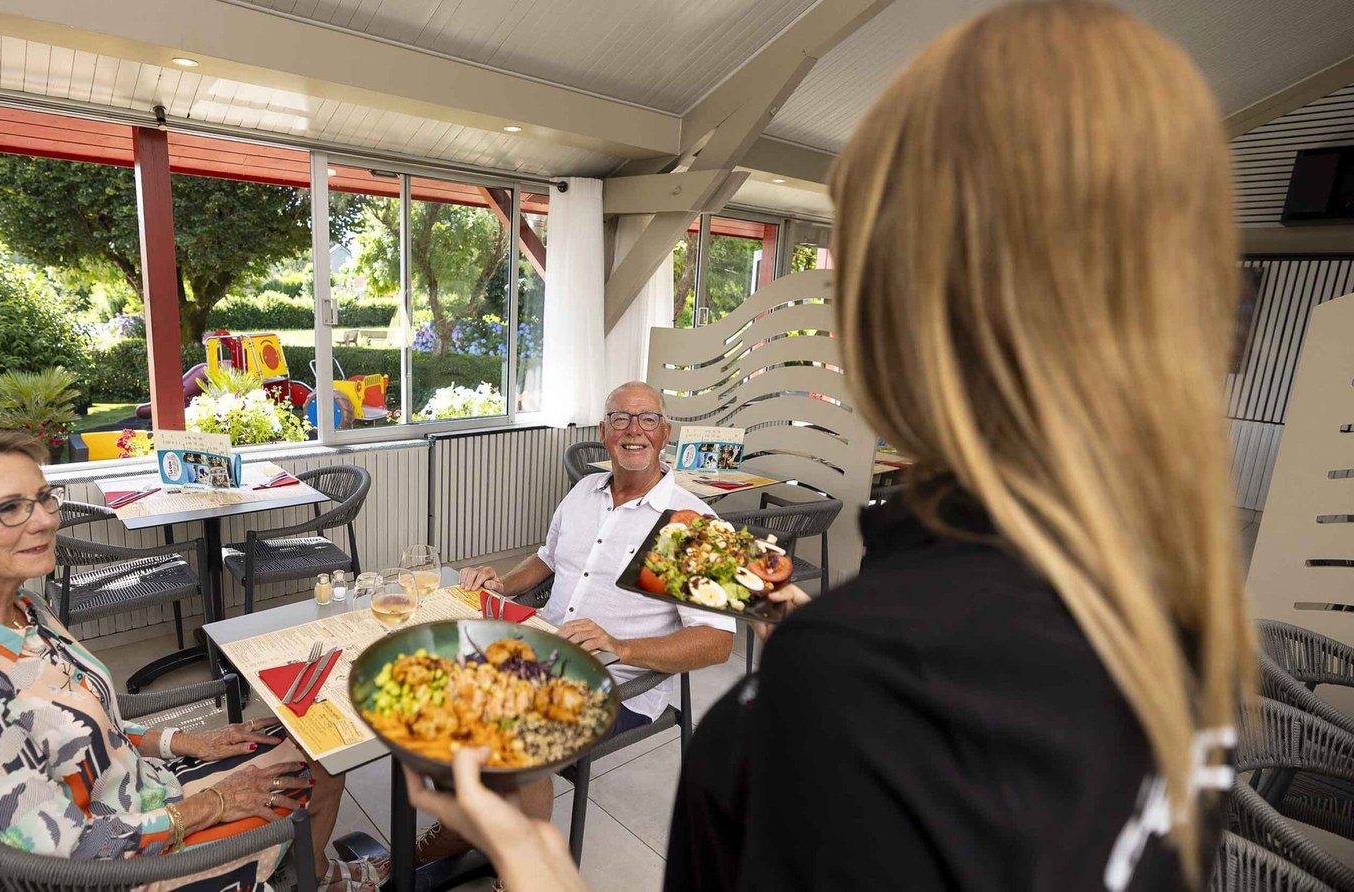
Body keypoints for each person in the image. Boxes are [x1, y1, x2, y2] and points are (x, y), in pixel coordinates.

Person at [406, 3, 1253, 890]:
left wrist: (532, 859)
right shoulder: (1185, 615)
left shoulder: (845, 690)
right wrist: (799, 613)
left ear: (897, 309)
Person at [0, 425, 389, 892]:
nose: (46, 520)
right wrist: (216, 803)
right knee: (312, 765)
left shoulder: (21, 610)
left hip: (139, 793)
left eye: (45, 498)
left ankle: (314, 874)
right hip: (128, 866)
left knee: (318, 738)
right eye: (10, 508)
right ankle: (306, 872)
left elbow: (78, 720)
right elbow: (71, 855)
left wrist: (187, 740)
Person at [426, 381, 735, 862]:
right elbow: (548, 558)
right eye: (620, 419)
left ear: (665, 432)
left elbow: (717, 643)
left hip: (617, 680)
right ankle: (461, 824)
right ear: (603, 430)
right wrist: (503, 585)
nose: (634, 430)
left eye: (647, 419)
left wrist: (620, 645)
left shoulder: (694, 524)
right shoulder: (584, 491)